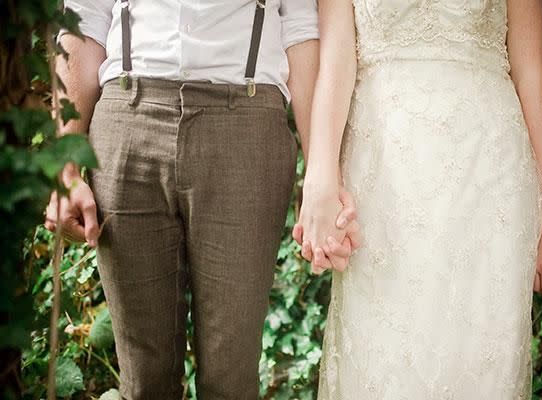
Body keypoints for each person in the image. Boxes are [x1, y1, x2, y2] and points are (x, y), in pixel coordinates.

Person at [43, 1, 358, 398]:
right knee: (142, 381)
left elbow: (299, 29)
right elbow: (83, 19)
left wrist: (319, 173)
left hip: (245, 126)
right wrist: (65, 167)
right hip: (127, 124)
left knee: (232, 378)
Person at [294, 0, 542, 398]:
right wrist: (320, 179)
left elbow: (533, 80)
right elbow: (336, 61)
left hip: (489, 179)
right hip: (382, 180)